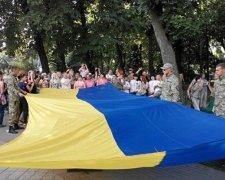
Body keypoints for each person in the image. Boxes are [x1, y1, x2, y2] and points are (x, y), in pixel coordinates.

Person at [5, 65, 27, 133]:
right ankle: (11, 127)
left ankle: (16, 124)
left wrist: (24, 92)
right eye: (17, 71)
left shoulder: (14, 78)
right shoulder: (9, 78)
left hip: (16, 98)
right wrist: (18, 93)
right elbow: (11, 88)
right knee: (12, 113)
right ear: (13, 70)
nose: (18, 72)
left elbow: (17, 87)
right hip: (12, 98)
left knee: (17, 112)